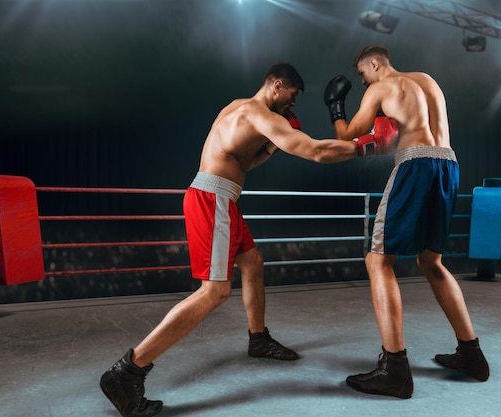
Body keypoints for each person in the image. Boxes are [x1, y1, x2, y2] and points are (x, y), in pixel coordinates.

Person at [100, 62, 370, 417]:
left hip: (220, 198)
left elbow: (242, 162)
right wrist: (366, 146)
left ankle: (258, 339)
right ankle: (128, 371)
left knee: (253, 262)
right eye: (291, 97)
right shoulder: (262, 116)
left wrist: (271, 148)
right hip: (213, 200)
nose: (292, 106)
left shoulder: (237, 107)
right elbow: (317, 152)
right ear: (276, 85)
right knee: (214, 291)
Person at [323, 44, 489, 399]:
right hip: (448, 165)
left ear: (373, 63)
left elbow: (346, 135)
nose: (362, 80)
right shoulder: (427, 81)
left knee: (377, 259)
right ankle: (471, 354)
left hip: (415, 164)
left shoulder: (381, 88)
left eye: (362, 73)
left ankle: (394, 369)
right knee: (431, 261)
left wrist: (336, 107)